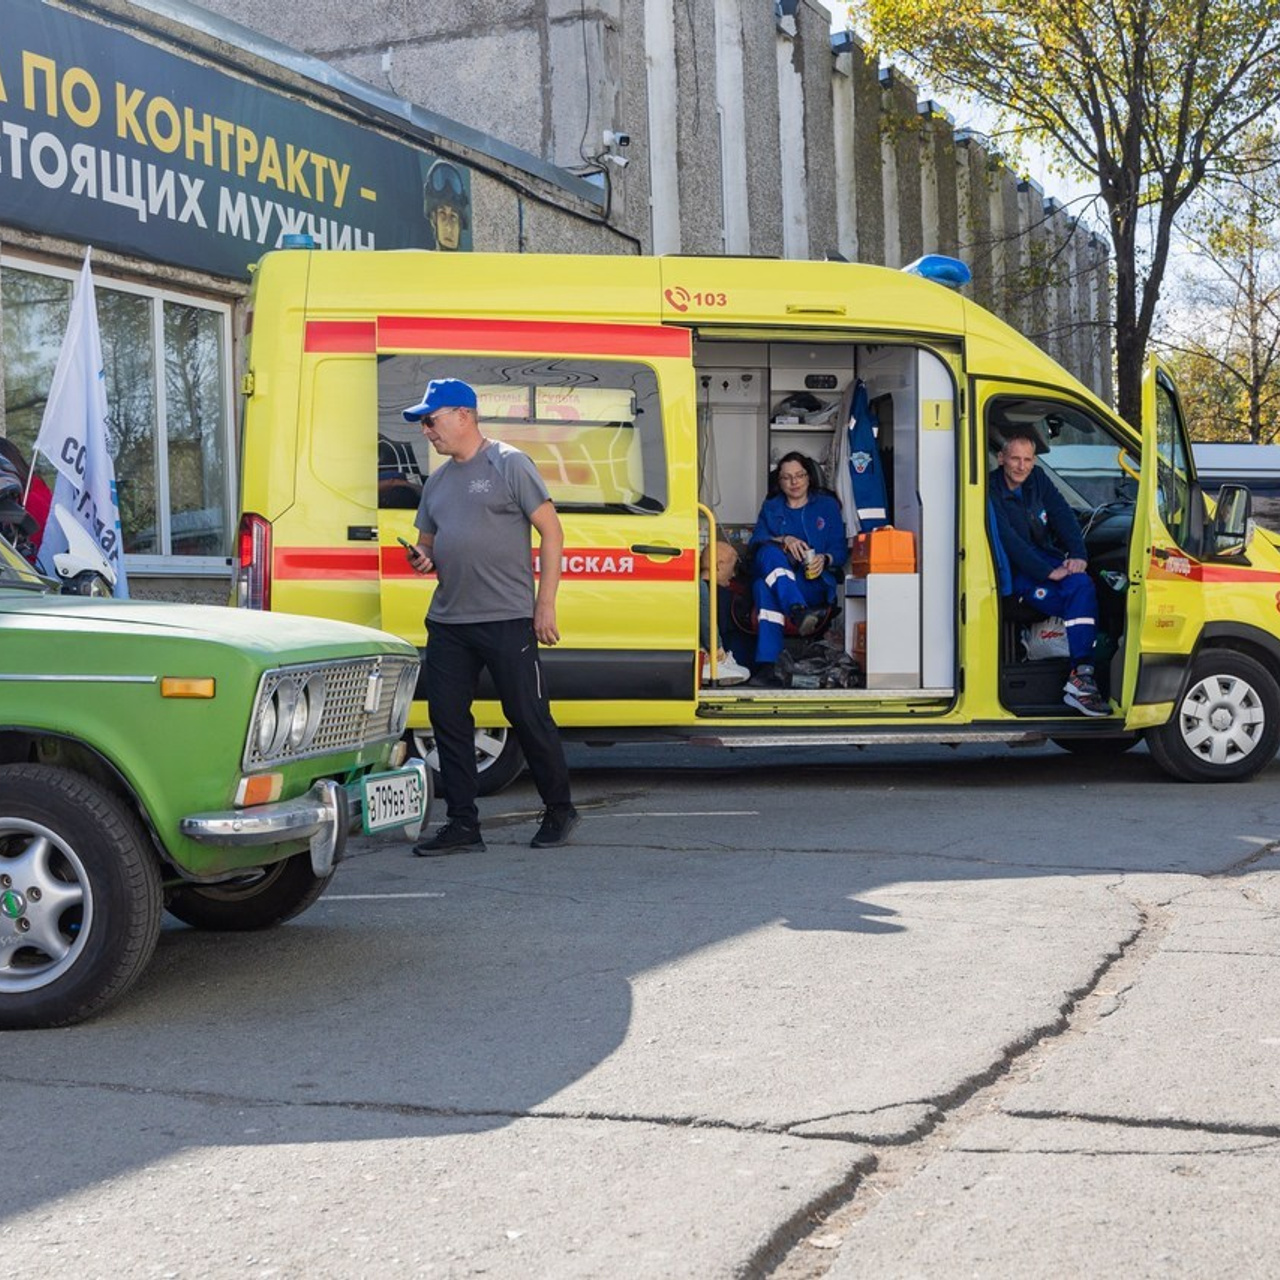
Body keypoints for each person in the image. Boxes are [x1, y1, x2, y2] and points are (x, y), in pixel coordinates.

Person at [402, 378, 579, 853]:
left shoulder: (508, 463)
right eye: (422, 424)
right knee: (447, 721)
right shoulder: (437, 482)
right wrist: (421, 558)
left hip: (506, 617)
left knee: (527, 715)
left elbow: (552, 532)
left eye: (430, 420)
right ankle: (463, 825)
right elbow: (427, 545)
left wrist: (545, 604)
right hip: (449, 621)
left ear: (463, 415)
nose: (426, 431)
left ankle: (560, 810)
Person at [989, 429, 1108, 717]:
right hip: (1017, 572)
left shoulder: (1038, 479)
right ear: (1001, 458)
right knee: (1074, 601)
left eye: (1028, 460)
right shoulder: (990, 488)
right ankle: (1078, 674)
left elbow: (1062, 514)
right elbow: (1010, 541)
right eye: (1015, 459)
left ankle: (1081, 673)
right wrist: (1047, 572)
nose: (1022, 466)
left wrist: (1078, 555)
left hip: (1047, 559)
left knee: (1082, 584)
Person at [746, 452, 849, 687]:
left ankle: (768, 665)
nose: (794, 482)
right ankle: (797, 610)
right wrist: (784, 539)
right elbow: (755, 542)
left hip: (811, 584)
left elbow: (840, 550)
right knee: (768, 553)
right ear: (779, 482)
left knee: (763, 588)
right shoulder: (771, 507)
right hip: (781, 581)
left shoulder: (826, 506)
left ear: (809, 477)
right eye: (787, 477)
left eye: (799, 475)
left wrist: (825, 559)